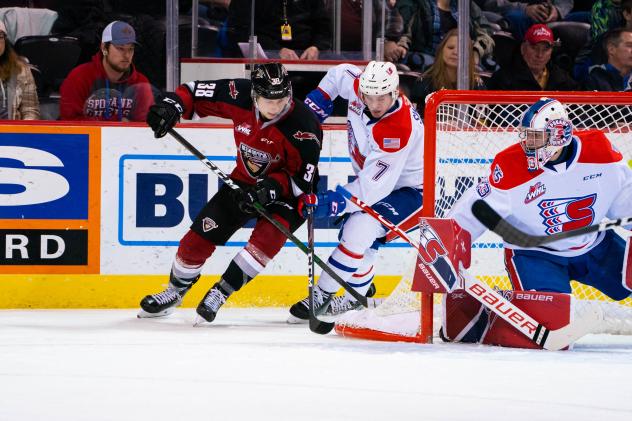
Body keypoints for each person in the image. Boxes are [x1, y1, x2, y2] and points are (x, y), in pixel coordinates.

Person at [138, 62, 323, 325]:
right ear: (254, 95)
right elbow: (193, 91)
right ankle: (175, 291)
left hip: (288, 194)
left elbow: (303, 181)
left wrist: (271, 188)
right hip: (244, 182)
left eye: (281, 98)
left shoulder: (304, 126)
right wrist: (171, 106)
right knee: (196, 239)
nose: (275, 106)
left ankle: (221, 292)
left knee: (264, 243)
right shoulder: (238, 92)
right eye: (268, 100)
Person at [443, 97, 632, 346]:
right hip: (535, 255)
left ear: (558, 135)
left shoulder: (600, 152)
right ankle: (486, 314)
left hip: (594, 246)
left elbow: (625, 203)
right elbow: (474, 211)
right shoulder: (510, 165)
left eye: (535, 137)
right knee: (549, 331)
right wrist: (445, 244)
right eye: (525, 136)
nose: (526, 144)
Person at [287, 61, 424, 322]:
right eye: (368, 96)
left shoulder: (398, 129)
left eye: (381, 97)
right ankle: (357, 295)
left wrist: (335, 201)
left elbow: (372, 189)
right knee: (358, 236)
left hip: (414, 192)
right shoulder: (359, 83)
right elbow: (339, 74)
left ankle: (322, 295)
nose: (374, 104)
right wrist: (317, 102)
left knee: (359, 228)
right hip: (381, 183)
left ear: (395, 92)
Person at [59, 20, 154, 121]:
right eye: (120, 48)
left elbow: (146, 126)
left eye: (130, 49)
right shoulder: (79, 77)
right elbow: (69, 123)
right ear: (104, 47)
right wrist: (116, 122)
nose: (127, 55)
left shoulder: (140, 82)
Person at [410, 29, 485, 118]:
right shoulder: (424, 81)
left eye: (461, 49)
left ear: (469, 55)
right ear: (441, 50)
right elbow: (416, 120)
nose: (455, 52)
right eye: (450, 48)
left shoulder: (477, 84)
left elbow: (482, 122)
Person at [224, 0, 331, 60]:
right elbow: (239, 31)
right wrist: (275, 51)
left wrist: (316, 47)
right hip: (263, 63)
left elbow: (323, 27)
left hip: (306, 63)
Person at [487, 23, 578, 91]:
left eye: (545, 49)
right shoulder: (503, 79)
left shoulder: (563, 79)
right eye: (534, 48)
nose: (539, 55)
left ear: (551, 52)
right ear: (523, 48)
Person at [0, 20, 39, 120]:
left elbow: (30, 110)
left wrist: (23, 132)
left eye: (0, 36)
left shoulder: (21, 69)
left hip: (11, 133)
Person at [482, 0, 574, 39]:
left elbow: (565, 2)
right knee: (517, 18)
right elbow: (491, 3)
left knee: (585, 18)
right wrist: (525, 9)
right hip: (515, 14)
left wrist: (557, 10)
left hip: (550, 16)